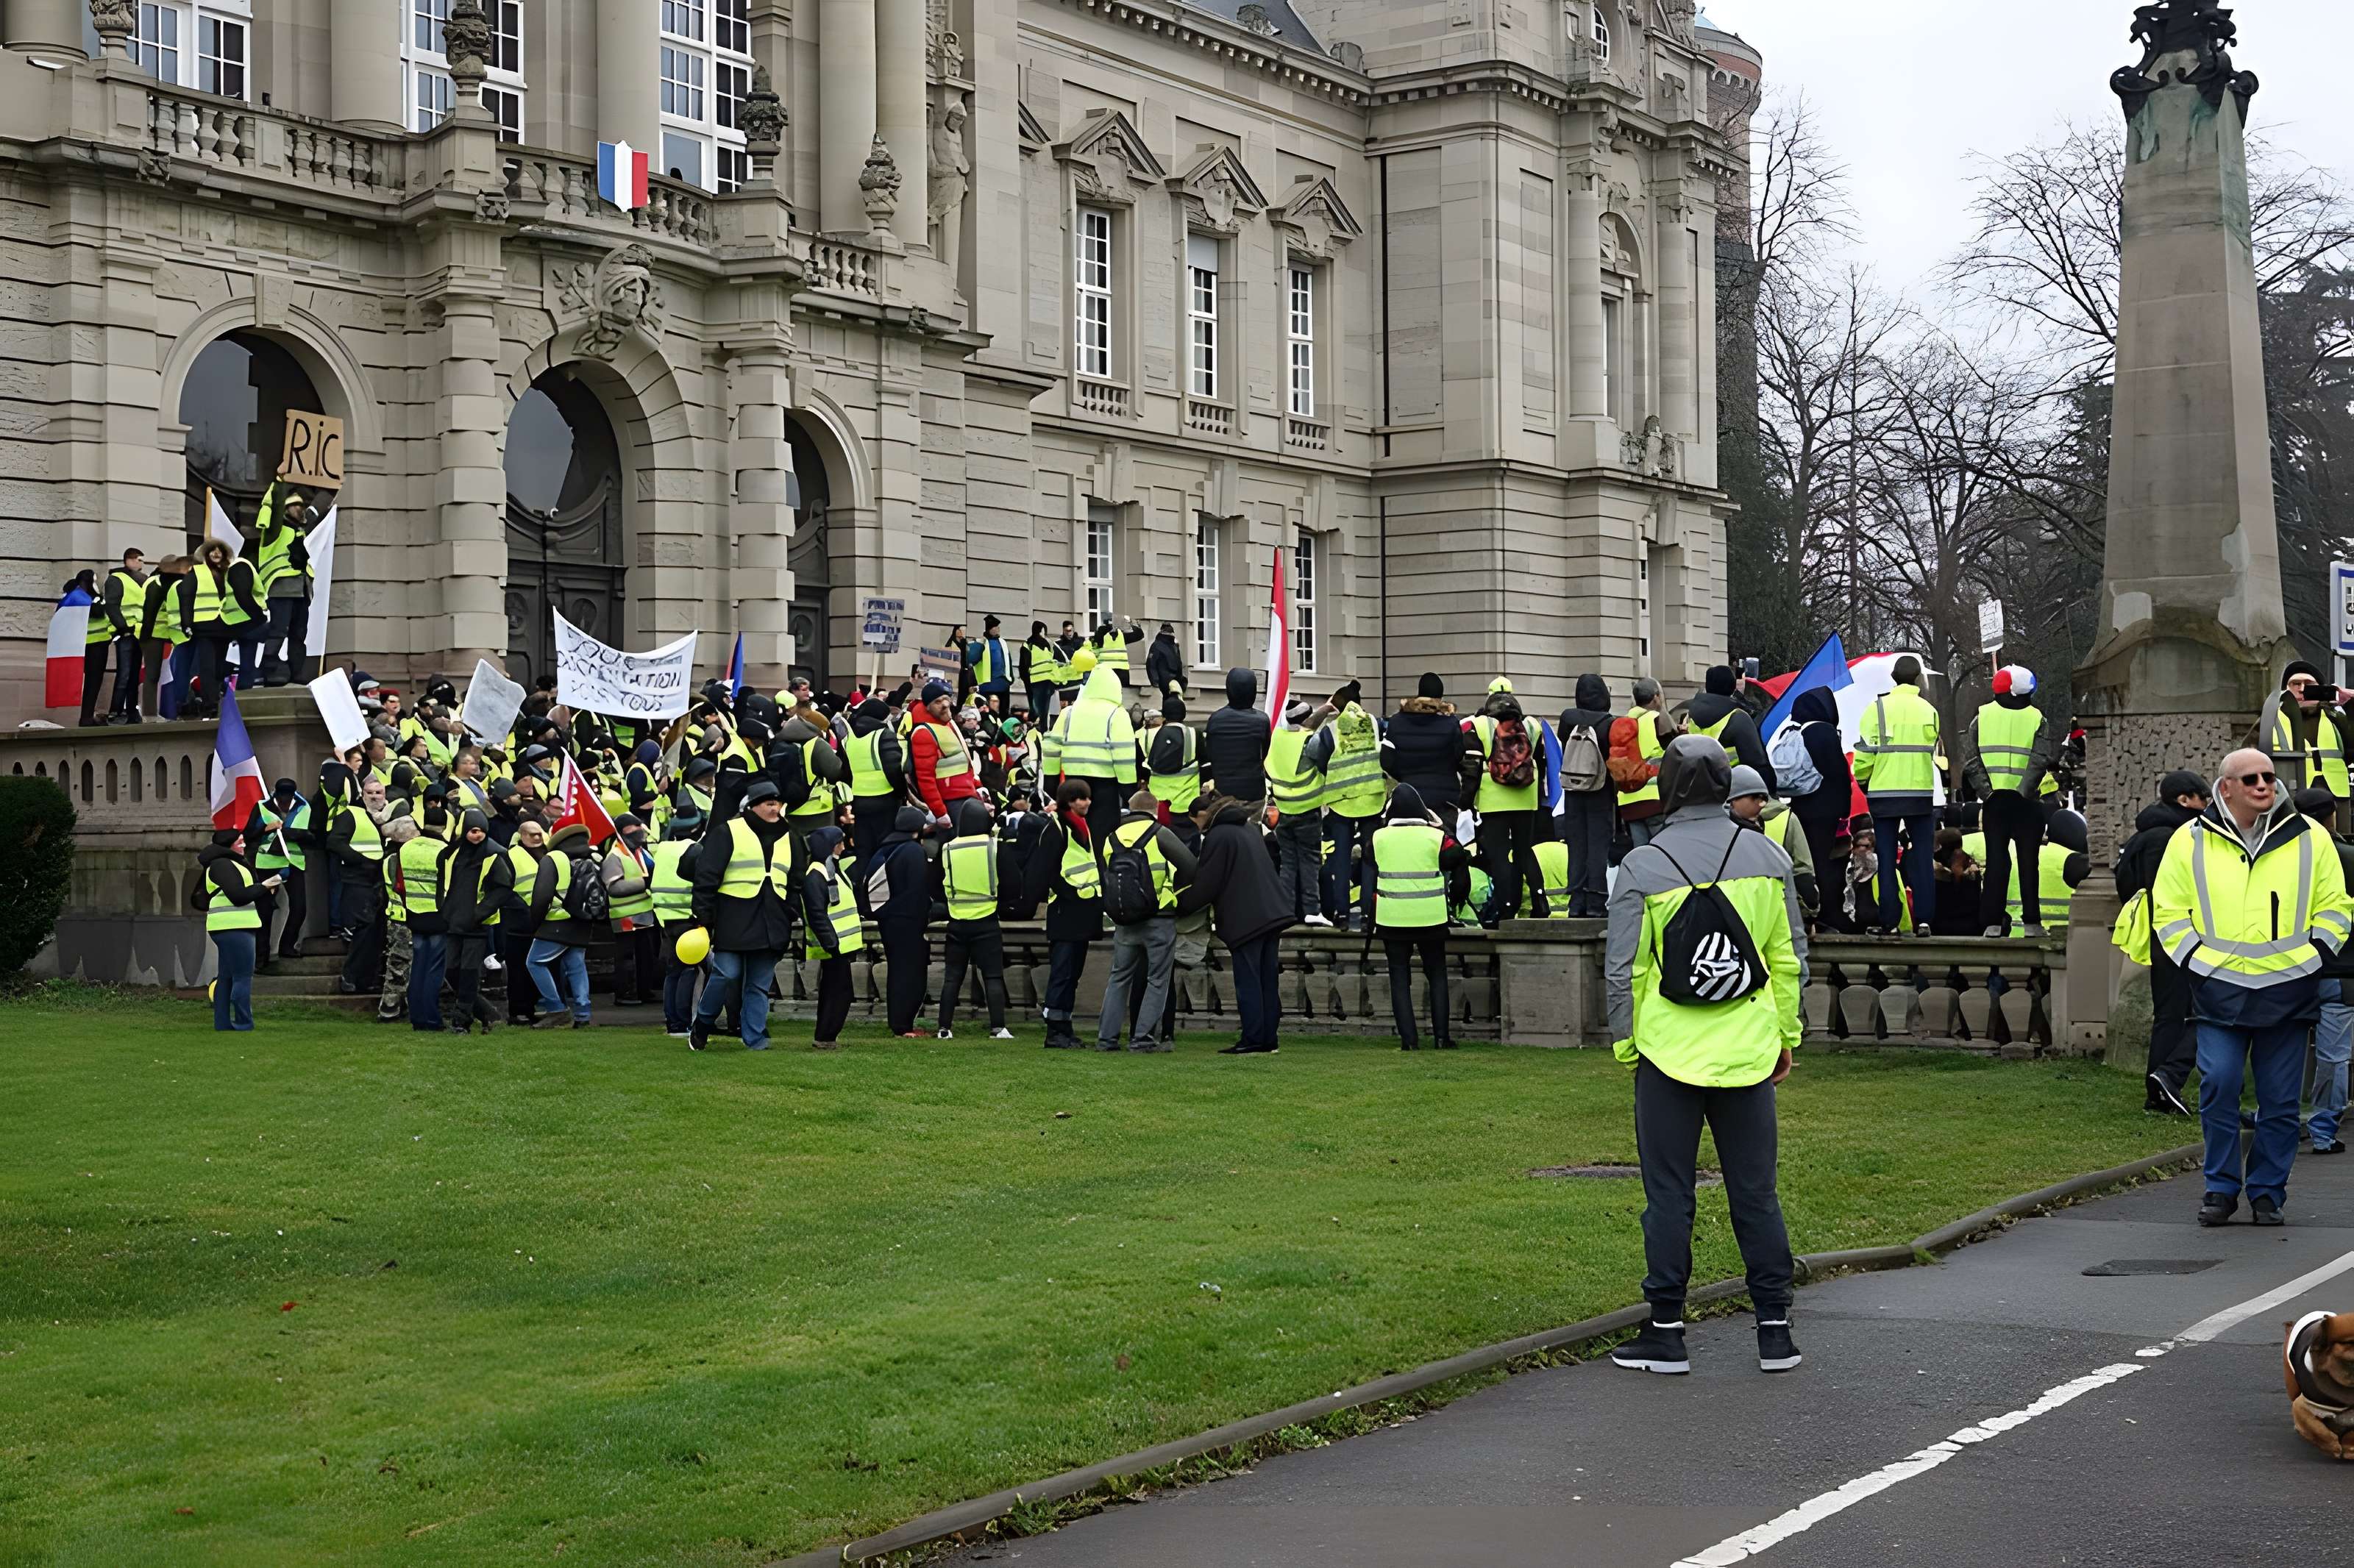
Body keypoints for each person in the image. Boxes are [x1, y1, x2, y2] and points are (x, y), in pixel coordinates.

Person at [1604, 737, 1805, 1377]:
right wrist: (1787, 1037)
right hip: (1749, 1050)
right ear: (1725, 787)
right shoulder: (1769, 857)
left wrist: (1628, 1045)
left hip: (1669, 1053)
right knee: (1757, 1193)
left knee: (1668, 1194)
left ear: (1667, 790)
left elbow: (1624, 973)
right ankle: (1775, 1330)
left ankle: (1666, 1332)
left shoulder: (1642, 865)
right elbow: (1786, 959)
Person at [2154, 748, 2353, 1227]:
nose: (2264, 784)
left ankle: (2267, 1192)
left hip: (2290, 991)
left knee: (2281, 1102)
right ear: (2226, 788)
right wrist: (2198, 962)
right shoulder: (2189, 840)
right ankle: (2221, 1189)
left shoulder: (2311, 838)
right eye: (2251, 779)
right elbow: (2168, 911)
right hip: (2219, 990)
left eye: (2268, 776)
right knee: (2219, 1086)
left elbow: (2336, 906)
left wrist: (2313, 958)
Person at [2116, 770, 2211, 1115]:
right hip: (2182, 936)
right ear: (2185, 800)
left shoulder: (2146, 834)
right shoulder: (2173, 837)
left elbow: (2128, 885)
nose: (2207, 803)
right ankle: (2164, 1084)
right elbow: (2171, 890)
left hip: (2163, 935)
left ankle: (2161, 1088)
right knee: (2196, 1013)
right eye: (2204, 796)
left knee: (2170, 1015)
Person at [1176, 794, 1291, 1055]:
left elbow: (1208, 882)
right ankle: (1267, 1038)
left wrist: (1181, 905)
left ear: (1206, 815)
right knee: (1267, 979)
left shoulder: (1220, 837)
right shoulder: (1249, 830)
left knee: (1248, 980)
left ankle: (1252, 1038)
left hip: (1246, 918)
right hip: (1271, 913)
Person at [689, 778, 798, 1050]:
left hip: (772, 919)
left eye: (778, 804)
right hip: (733, 917)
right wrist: (703, 916)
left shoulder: (791, 836)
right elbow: (707, 876)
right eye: (769, 804)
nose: (776, 809)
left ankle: (755, 1040)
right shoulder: (728, 831)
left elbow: (796, 879)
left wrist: (791, 910)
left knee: (759, 985)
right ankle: (702, 1024)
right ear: (752, 806)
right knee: (726, 973)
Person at [1095, 789, 1199, 1052]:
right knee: (1157, 980)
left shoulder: (1111, 838)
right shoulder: (1159, 833)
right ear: (1155, 811)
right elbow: (1191, 867)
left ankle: (1107, 1039)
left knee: (1118, 978)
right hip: (1159, 915)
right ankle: (1142, 1039)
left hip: (1124, 919)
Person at [1370, 784, 1470, 1050]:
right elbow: (1457, 855)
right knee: (1437, 974)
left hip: (1392, 919)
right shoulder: (1433, 837)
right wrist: (1439, 826)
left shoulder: (1379, 837)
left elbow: (1369, 859)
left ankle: (1409, 1041)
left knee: (1399, 978)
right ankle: (1441, 1037)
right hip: (1430, 917)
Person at [1963, 666, 2058, 936]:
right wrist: (2025, 790)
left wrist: (1987, 792)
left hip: (1995, 802)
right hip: (2027, 803)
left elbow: (1972, 761)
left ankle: (1992, 923)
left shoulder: (1981, 717)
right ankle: (2032, 923)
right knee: (2029, 862)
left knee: (1996, 862)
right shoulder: (2037, 718)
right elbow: (2041, 758)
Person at [1852, 658, 1939, 934]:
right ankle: (1925, 920)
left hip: (1884, 793)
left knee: (1887, 860)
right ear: (1917, 678)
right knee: (1923, 858)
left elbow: (1864, 755)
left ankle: (1889, 922)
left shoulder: (1876, 709)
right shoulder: (1930, 711)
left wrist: (1866, 783)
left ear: (1893, 676)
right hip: (1920, 794)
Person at [2294, 787, 2354, 1157]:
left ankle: (2270, 1115)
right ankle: (2322, 1129)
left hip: (2284, 969)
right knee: (2333, 1054)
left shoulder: (2285, 857)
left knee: (2277, 1048)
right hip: (2340, 971)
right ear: (2332, 814)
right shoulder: (2346, 857)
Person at [1025, 780, 1102, 1050]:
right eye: (1081, 799)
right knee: (1062, 972)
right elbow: (1043, 870)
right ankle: (1055, 1031)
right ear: (1069, 801)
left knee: (1073, 974)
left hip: (1082, 911)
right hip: (1065, 910)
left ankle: (1064, 1028)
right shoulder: (1057, 828)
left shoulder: (1082, 827)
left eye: (1088, 798)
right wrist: (1067, 892)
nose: (1087, 803)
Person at [1464, 678, 1548, 923]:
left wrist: (1466, 802)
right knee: (1524, 852)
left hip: (1493, 800)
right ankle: (1539, 899)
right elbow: (1540, 762)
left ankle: (1507, 907)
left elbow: (1471, 767)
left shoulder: (1479, 725)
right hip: (1525, 797)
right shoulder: (1532, 725)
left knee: (1500, 856)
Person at [935, 797, 1013, 1039]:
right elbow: (1013, 881)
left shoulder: (948, 848)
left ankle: (944, 1028)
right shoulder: (994, 846)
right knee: (992, 975)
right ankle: (998, 1027)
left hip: (956, 920)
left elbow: (934, 883)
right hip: (987, 918)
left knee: (952, 977)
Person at [1047, 651, 1139, 849]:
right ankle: (1099, 873)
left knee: (1073, 835)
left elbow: (1051, 747)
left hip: (1072, 783)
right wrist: (1129, 790)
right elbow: (1124, 756)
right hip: (1106, 786)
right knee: (1102, 836)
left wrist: (1051, 782)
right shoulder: (1117, 714)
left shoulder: (1069, 712)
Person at [1320, 683, 1387, 926]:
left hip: (1342, 801)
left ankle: (1342, 913)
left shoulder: (1332, 728)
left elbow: (1317, 755)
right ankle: (1369, 912)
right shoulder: (1375, 724)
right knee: (1370, 857)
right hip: (1372, 798)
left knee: (1341, 857)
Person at [440, 808, 511, 1034]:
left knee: (469, 971)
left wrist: (479, 913)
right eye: (472, 831)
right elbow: (443, 881)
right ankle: (487, 1013)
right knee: (452, 970)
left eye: (480, 831)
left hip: (477, 924)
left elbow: (502, 889)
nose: (477, 835)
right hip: (453, 921)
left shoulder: (493, 855)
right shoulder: (451, 853)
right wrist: (443, 909)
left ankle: (461, 1020)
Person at [1267, 696, 1337, 926]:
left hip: (1284, 809)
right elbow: (1324, 761)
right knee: (1309, 861)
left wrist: (1325, 709)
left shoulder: (1277, 738)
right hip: (1308, 809)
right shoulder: (1310, 740)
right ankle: (1311, 909)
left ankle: (1286, 911)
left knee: (1288, 863)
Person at [1785, 687, 1852, 922]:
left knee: (1807, 861)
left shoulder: (1795, 732)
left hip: (1801, 807)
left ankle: (1808, 910)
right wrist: (1846, 808)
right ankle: (1828, 914)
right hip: (1826, 810)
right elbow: (1839, 773)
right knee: (1827, 862)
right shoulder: (1823, 732)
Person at [870, 805, 935, 1038]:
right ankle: (904, 1025)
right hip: (908, 920)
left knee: (897, 971)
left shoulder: (884, 850)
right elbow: (917, 890)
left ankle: (898, 1022)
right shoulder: (913, 851)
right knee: (912, 973)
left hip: (888, 919)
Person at [526, 822, 597, 1030]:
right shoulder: (591, 857)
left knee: (535, 963)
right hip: (583, 920)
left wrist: (535, 922)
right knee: (576, 964)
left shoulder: (554, 858)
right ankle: (583, 1014)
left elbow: (542, 896)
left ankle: (556, 1010)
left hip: (557, 921)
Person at [1557, 674, 1617, 918]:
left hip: (1573, 790)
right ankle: (1596, 902)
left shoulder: (1567, 719)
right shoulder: (1610, 723)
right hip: (1601, 791)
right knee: (1598, 847)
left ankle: (1576, 902)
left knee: (1577, 846)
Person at [324, 765, 387, 995]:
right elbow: (334, 842)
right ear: (362, 795)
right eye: (370, 793)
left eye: (379, 793)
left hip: (380, 882)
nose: (374, 796)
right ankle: (350, 977)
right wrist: (360, 861)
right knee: (363, 930)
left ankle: (367, 979)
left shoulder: (388, 816)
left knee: (377, 933)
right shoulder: (352, 815)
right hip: (358, 880)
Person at [200, 827, 271, 1031]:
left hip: (230, 925)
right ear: (229, 844)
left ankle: (223, 1023)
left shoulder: (226, 864)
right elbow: (238, 896)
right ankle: (243, 1022)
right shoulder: (223, 865)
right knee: (242, 976)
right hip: (234, 926)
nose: (244, 845)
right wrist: (264, 887)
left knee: (227, 977)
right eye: (240, 842)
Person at [1728, 765, 1818, 920]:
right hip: (1780, 913)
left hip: (1738, 914)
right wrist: (1808, 914)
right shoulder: (1787, 818)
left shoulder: (1722, 823)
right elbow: (1804, 873)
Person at [801, 825, 862, 1050]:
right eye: (840, 842)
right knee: (837, 993)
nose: (843, 846)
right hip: (834, 946)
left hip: (839, 944)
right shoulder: (817, 875)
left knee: (838, 992)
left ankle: (827, 1036)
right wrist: (831, 943)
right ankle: (825, 1037)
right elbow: (817, 914)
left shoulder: (830, 870)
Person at [2257, 662, 2350, 807]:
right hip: (2288, 797)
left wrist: (2350, 704)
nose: (2302, 690)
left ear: (2320, 689)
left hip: (2336, 796)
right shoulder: (2270, 719)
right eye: (2296, 684)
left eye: (2309, 685)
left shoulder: (2335, 718)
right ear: (2285, 690)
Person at [650, 811, 705, 1038]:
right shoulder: (694, 850)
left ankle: (672, 1022)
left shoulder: (662, 849)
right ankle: (683, 1023)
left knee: (673, 972)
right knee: (689, 971)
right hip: (688, 918)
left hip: (665, 918)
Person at [253, 482, 313, 686]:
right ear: (286, 509)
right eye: (297, 506)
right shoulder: (275, 530)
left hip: (301, 588)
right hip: (282, 588)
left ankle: (296, 672)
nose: (302, 509)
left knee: (299, 633)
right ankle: (269, 668)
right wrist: (280, 481)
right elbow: (276, 505)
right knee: (279, 630)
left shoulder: (300, 530)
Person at [1382, 672, 1463, 817]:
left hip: (1410, 793)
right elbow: (1459, 756)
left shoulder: (1396, 722)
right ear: (1440, 697)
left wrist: (1404, 775)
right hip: (1446, 796)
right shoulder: (1451, 723)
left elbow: (1387, 761)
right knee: (1446, 837)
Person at [844, 696, 911, 871]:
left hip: (859, 801)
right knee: (884, 850)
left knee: (864, 851)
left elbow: (844, 770)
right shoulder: (884, 735)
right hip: (885, 801)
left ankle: (861, 889)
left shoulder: (850, 737)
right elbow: (894, 770)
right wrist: (902, 793)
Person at [602, 813, 661, 1008]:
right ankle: (625, 993)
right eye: (634, 826)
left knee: (646, 955)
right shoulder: (615, 856)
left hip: (645, 914)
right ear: (622, 831)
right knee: (626, 958)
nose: (640, 829)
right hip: (625, 916)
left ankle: (644, 990)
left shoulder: (642, 852)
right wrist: (645, 882)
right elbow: (614, 888)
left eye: (640, 825)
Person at [1685, 666, 1774, 790]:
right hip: (1733, 792)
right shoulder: (1739, 718)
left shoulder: (1689, 715)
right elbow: (1756, 765)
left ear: (1707, 686)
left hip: (1695, 788)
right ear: (1733, 687)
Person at [85, 548, 146, 727]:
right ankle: (116, 711)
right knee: (125, 673)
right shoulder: (117, 579)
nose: (141, 564)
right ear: (129, 560)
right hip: (125, 633)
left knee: (134, 675)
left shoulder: (141, 580)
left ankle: (131, 712)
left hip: (138, 632)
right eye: (139, 560)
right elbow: (112, 605)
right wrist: (123, 627)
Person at [908, 680, 984, 824]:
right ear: (928, 707)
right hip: (951, 802)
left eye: (946, 699)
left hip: (967, 795)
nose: (944, 704)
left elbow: (964, 762)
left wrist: (977, 787)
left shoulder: (948, 723)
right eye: (938, 701)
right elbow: (925, 778)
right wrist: (940, 812)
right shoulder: (924, 733)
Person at [1612, 678, 1672, 849]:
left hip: (1628, 803)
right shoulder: (1658, 718)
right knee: (1663, 853)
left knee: (1641, 853)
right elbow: (1676, 751)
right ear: (1656, 697)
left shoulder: (1620, 723)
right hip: (1655, 801)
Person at [502, 817, 550, 1027]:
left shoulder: (546, 853)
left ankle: (531, 1008)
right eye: (532, 834)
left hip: (541, 920)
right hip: (518, 922)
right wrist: (521, 910)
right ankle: (518, 1011)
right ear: (521, 836)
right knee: (518, 969)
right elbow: (505, 888)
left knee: (534, 967)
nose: (537, 837)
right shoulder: (511, 856)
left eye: (539, 833)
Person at [1203, 666, 1271, 806]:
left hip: (1223, 792)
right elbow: (1264, 753)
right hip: (1253, 792)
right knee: (1252, 827)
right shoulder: (1262, 720)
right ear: (1253, 691)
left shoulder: (1215, 719)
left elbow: (1210, 753)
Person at [377, 815, 421, 1024]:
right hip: (404, 919)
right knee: (399, 964)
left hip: (397, 918)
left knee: (399, 964)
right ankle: (390, 1006)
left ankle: (395, 1005)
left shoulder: (390, 858)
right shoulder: (400, 860)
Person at [138, 555, 191, 720]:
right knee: (152, 675)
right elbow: (150, 613)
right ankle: (150, 715)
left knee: (161, 675)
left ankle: (157, 713)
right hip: (153, 634)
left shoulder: (167, 582)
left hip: (164, 634)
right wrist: (145, 637)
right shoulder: (156, 584)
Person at [1145, 691, 1201, 819]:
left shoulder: (1149, 735)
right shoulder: (1194, 735)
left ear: (1164, 715)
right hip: (1186, 805)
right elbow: (1206, 762)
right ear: (1184, 714)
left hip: (1157, 805)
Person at [966, 615, 1015, 708]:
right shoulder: (979, 642)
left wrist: (1011, 678)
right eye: (996, 627)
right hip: (987, 685)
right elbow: (972, 659)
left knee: (1003, 714)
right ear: (991, 629)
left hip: (1003, 684)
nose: (998, 629)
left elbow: (1008, 660)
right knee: (987, 711)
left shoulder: (1003, 642)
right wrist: (980, 644)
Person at [1020, 621, 1064, 724]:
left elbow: (1023, 667)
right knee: (1044, 710)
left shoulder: (1027, 644)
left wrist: (1027, 681)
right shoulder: (1046, 644)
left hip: (1034, 682)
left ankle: (1036, 728)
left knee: (1036, 708)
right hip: (1046, 682)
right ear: (1041, 631)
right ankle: (1042, 729)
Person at [1145, 622, 1186, 699]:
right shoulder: (1158, 645)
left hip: (1170, 682)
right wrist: (1155, 681)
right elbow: (1151, 664)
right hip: (1165, 682)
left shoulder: (1173, 646)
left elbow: (1151, 664)